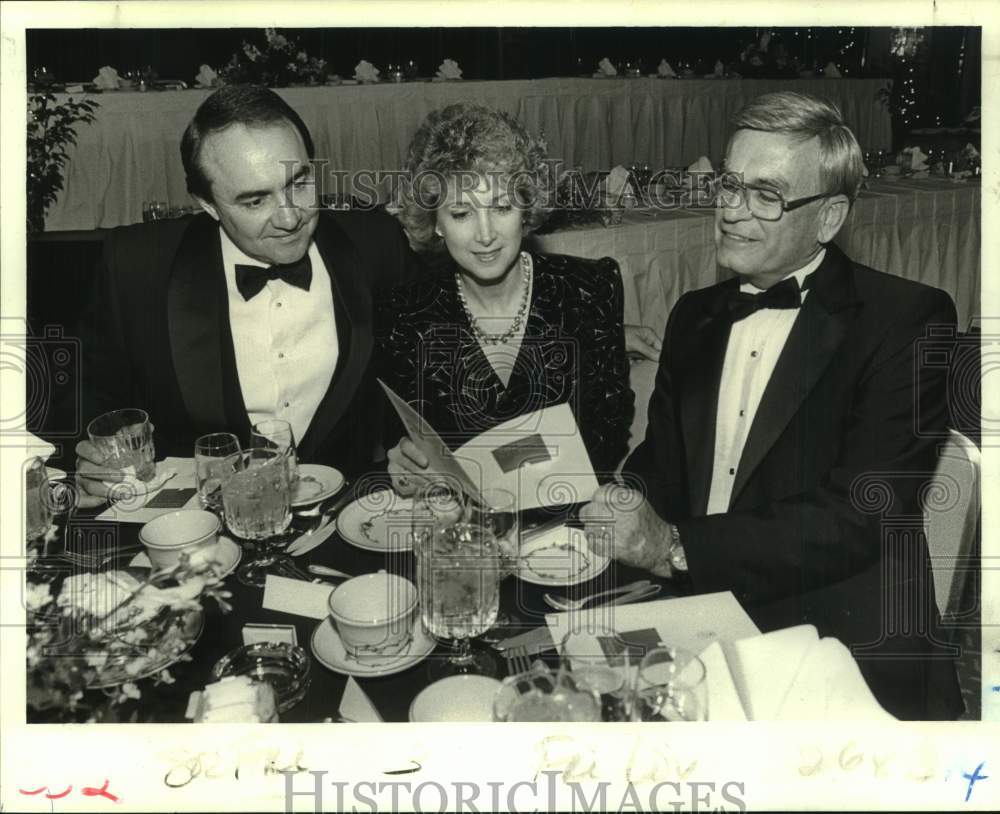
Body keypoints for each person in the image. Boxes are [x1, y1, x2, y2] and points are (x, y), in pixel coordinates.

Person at [581, 92, 963, 720]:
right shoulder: (695, 315)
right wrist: (622, 498)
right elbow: (666, 459)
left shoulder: (909, 321)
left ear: (830, 217)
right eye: (730, 185)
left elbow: (858, 517)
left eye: (767, 195)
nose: (731, 212)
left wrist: (676, 545)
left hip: (837, 625)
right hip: (702, 600)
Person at [75, 85, 415, 505]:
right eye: (255, 201)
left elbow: (414, 382)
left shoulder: (377, 243)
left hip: (345, 519)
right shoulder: (137, 267)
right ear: (208, 204)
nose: (290, 217)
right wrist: (92, 461)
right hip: (203, 527)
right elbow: (88, 402)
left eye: (300, 183)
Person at [377, 103, 635, 496]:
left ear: (526, 210)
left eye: (501, 207)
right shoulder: (405, 315)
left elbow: (608, 431)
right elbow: (408, 443)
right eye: (462, 213)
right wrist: (405, 462)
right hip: (465, 528)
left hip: (570, 519)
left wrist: (495, 464)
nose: (485, 235)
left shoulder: (589, 288)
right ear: (436, 223)